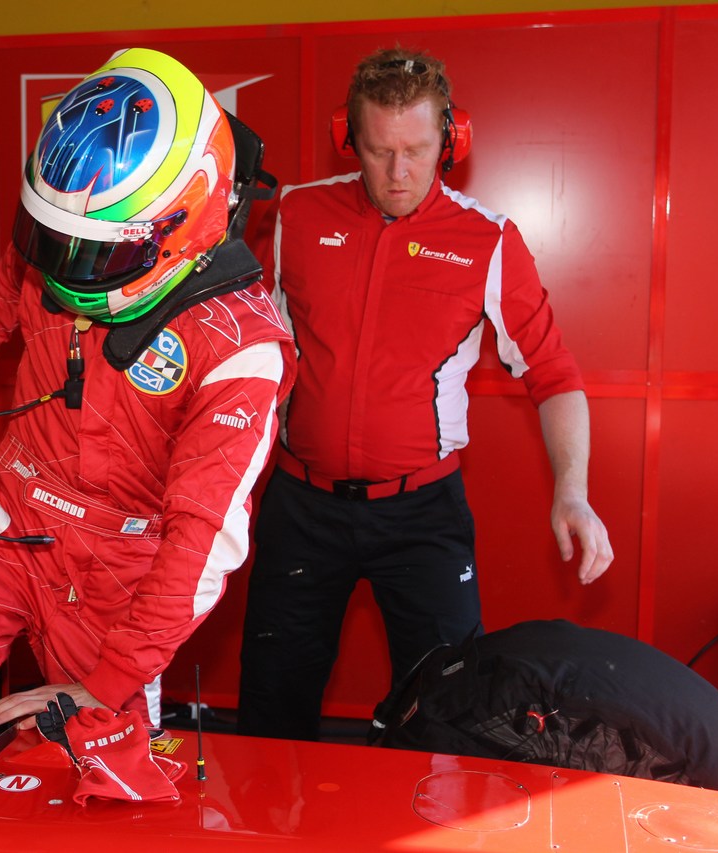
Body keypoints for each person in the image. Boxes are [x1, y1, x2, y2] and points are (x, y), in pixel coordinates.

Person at [0, 47, 294, 808]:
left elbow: (197, 548)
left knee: (108, 778)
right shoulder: (74, 223)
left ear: (186, 217)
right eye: (53, 240)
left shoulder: (243, 350)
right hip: (12, 510)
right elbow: (6, 284)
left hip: (126, 569)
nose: (67, 267)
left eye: (95, 251)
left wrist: (100, 685)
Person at [236, 47, 614, 741]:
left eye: (416, 149)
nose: (398, 172)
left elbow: (554, 376)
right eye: (379, 151)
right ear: (349, 138)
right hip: (302, 508)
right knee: (271, 704)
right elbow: (251, 351)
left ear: (452, 138)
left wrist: (573, 490)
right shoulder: (297, 214)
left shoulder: (488, 239)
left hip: (422, 516)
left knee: (448, 711)